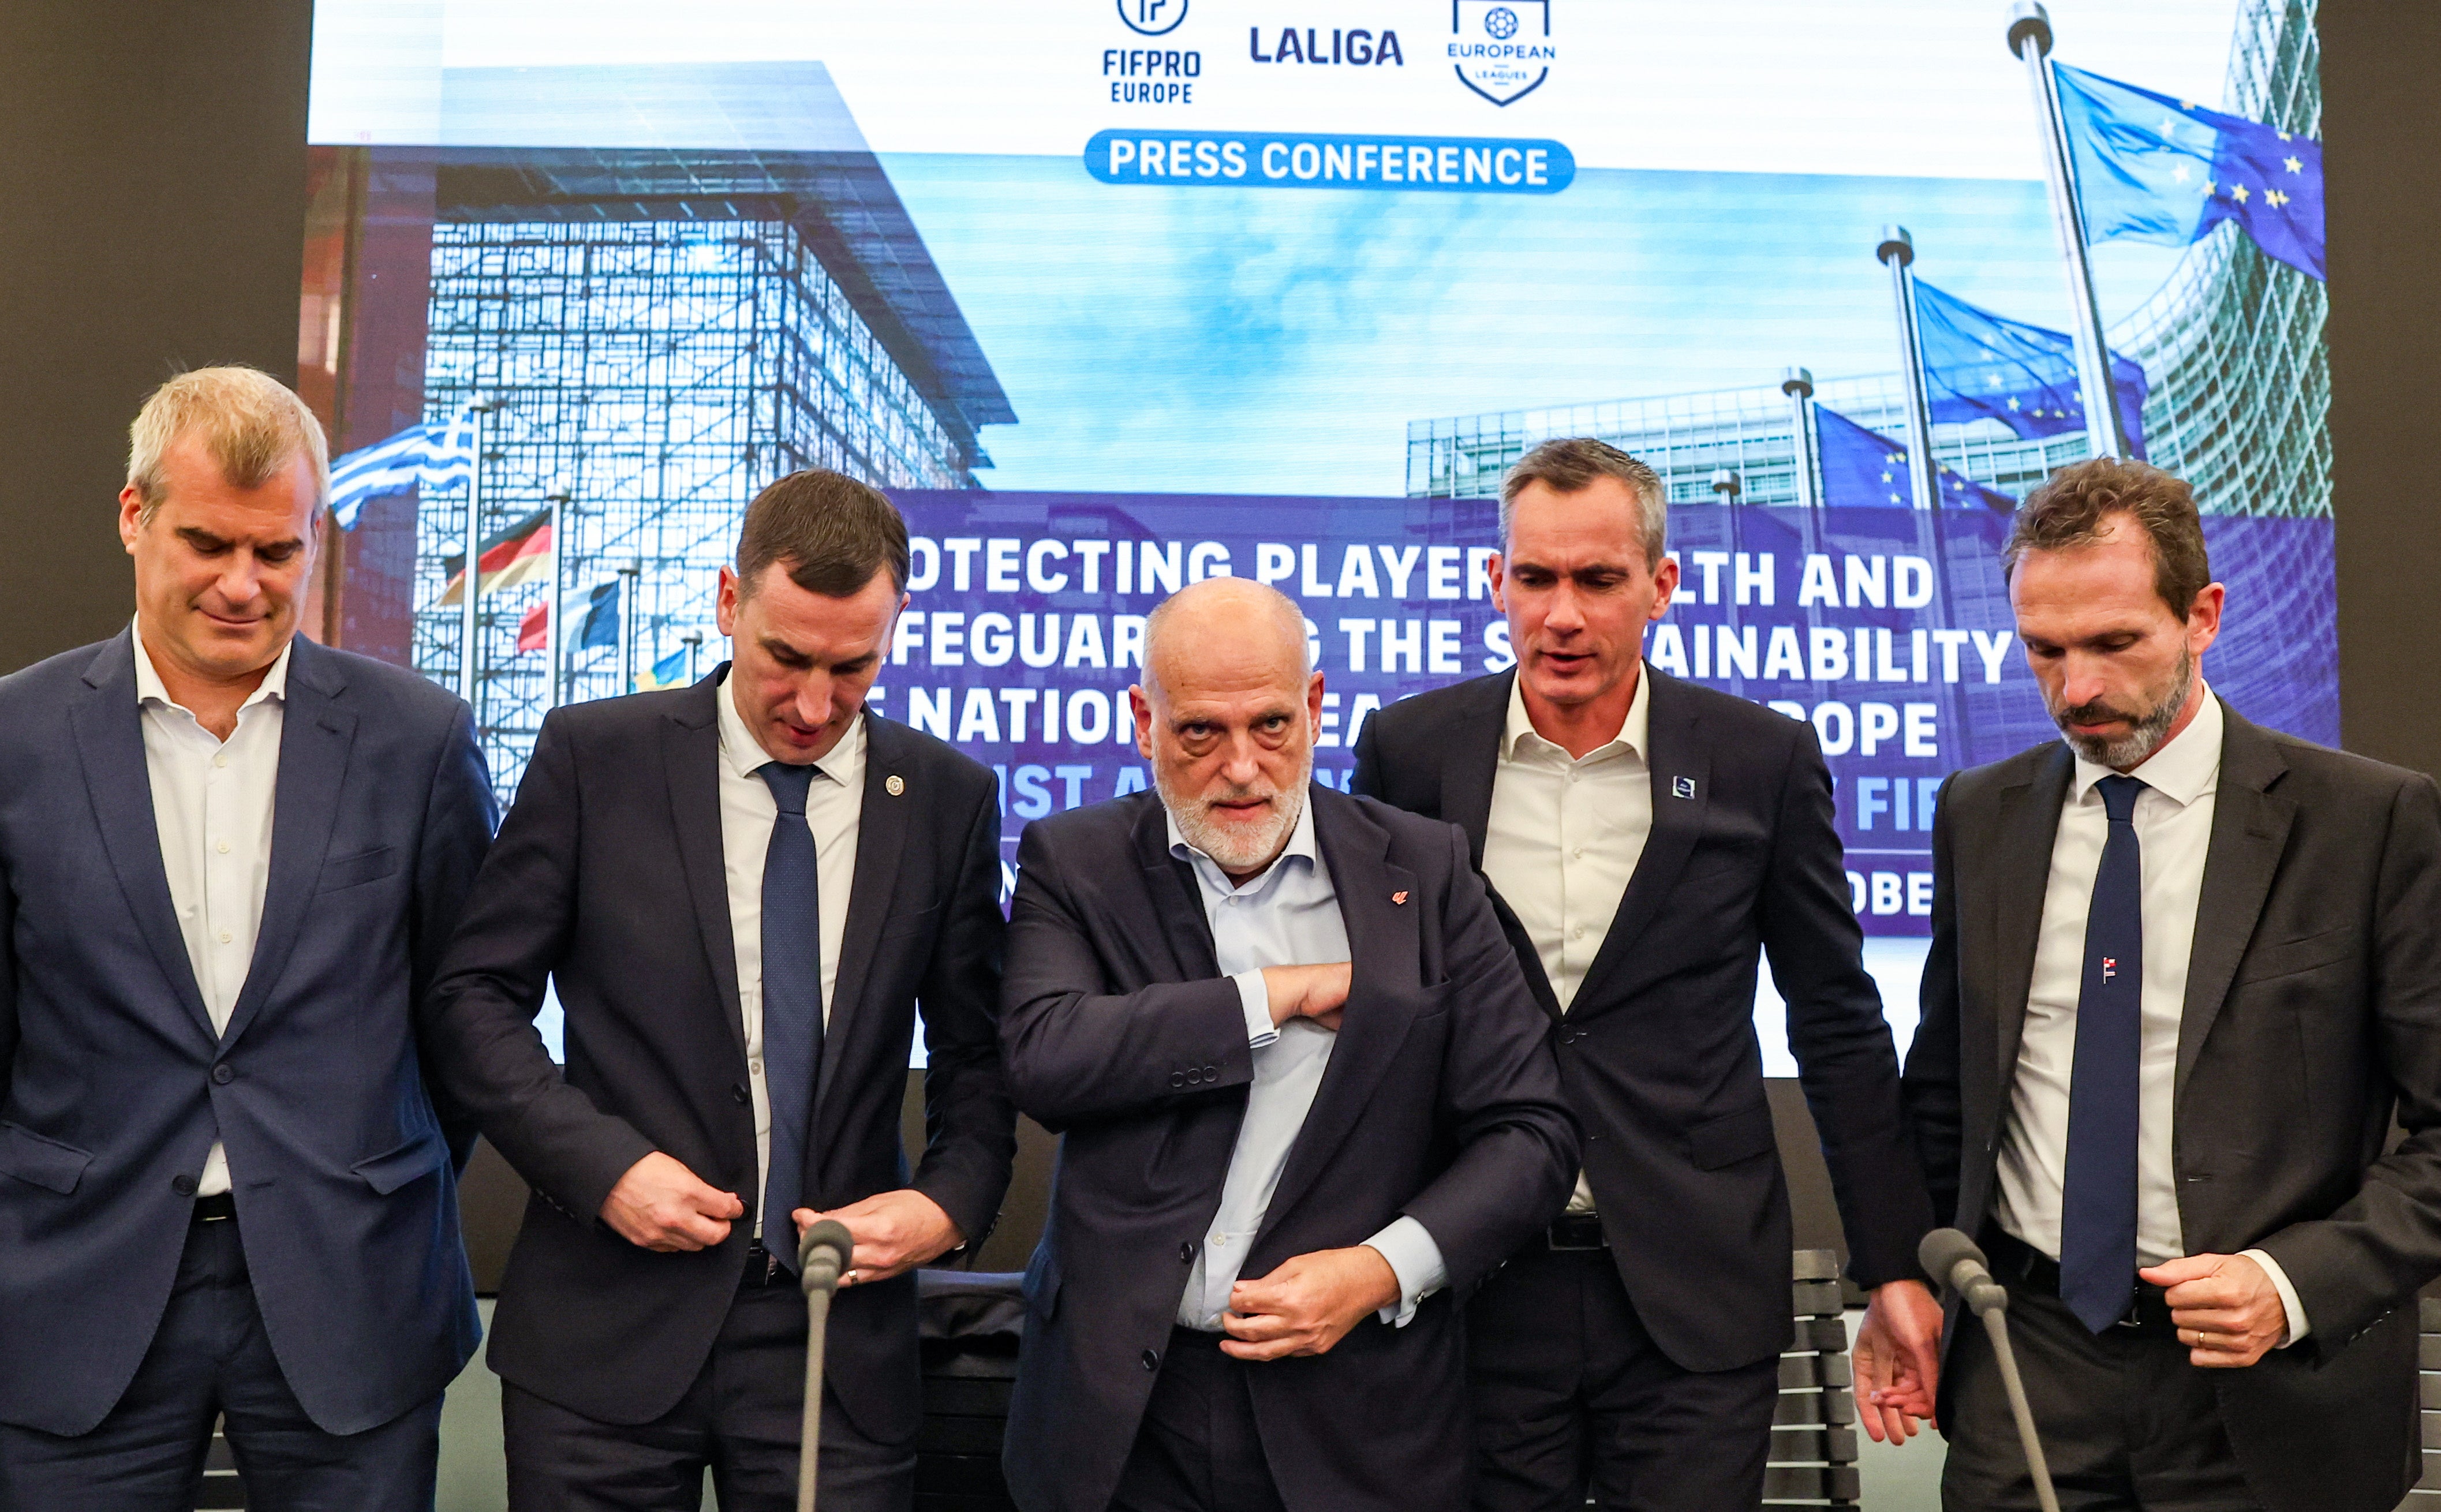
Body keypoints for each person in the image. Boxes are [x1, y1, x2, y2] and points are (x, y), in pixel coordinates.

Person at [1352, 436, 1941, 1509]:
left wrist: (1891, 1261)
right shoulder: (1409, 752)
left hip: (1693, 1290)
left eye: (1596, 580)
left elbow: (1837, 1022)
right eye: (1534, 578)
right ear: (1496, 582)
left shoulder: (1759, 758)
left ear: (1661, 585)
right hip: (1473, 1280)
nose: (1562, 615)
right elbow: (1367, 1023)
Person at [423, 469, 1014, 1511]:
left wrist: (944, 1206)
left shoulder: (944, 800)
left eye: (853, 667)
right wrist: (603, 1167)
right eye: (785, 658)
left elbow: (980, 1053)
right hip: (604, 1335)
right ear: (728, 603)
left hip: (838, 1346)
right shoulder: (593, 757)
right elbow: (472, 998)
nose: (814, 705)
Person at [1898, 458, 2441, 1512]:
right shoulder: (1979, 813)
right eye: (2043, 652)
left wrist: (2290, 1285)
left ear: (2202, 615)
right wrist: (1906, 1286)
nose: (2078, 689)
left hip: (2271, 1393)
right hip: (2027, 1375)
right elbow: (1942, 1095)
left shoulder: (2367, 824)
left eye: (2113, 644)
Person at [0, 367, 496, 1508]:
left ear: (313, 537)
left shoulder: (418, 740)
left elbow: (461, 1018)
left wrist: (360, 1171)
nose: (243, 583)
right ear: (135, 518)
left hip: (353, 1288)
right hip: (77, 1289)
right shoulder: (15, 741)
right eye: (209, 543)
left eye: (276, 551)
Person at [999, 576, 1578, 1512]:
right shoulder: (1076, 860)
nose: (1240, 768)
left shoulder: (1423, 871)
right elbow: (1048, 1056)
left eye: (1271, 725)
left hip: (1357, 1413)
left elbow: (1530, 1133)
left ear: (1314, 705)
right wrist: (1277, 996)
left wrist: (1379, 1269)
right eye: (1199, 733)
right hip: (1120, 1421)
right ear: (1143, 718)